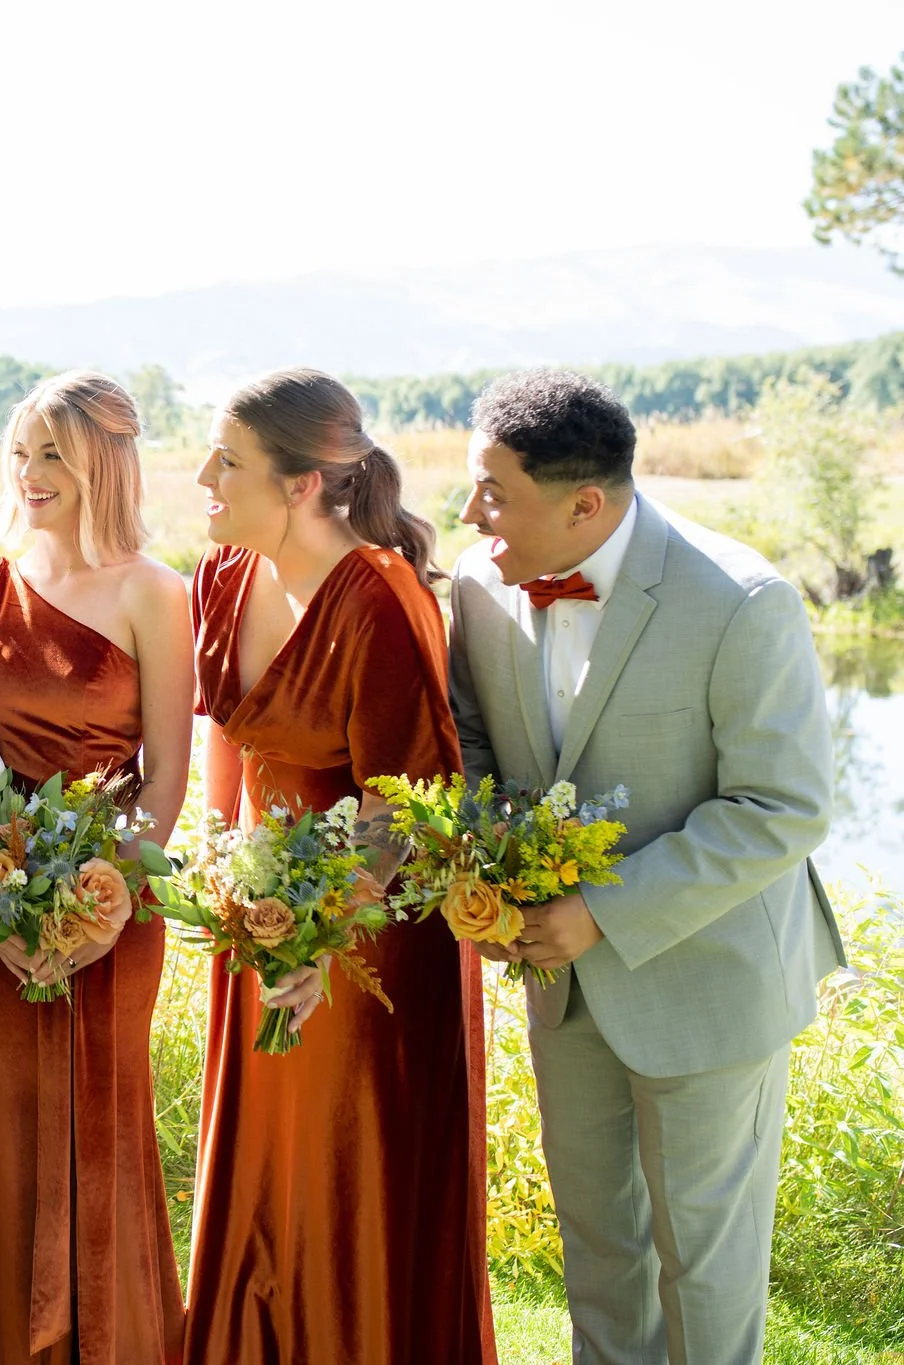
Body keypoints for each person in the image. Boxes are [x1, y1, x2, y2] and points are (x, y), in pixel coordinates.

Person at [447, 369, 839, 1365]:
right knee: (600, 1254)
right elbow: (477, 752)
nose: (470, 513)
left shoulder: (740, 599)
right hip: (563, 987)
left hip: (709, 981)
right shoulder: (478, 584)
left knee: (703, 1267)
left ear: (583, 504)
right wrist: (494, 883)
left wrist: (600, 910)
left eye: (493, 491)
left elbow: (782, 805)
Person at [181, 368, 494, 1364]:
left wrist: (320, 933)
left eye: (226, 462)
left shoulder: (380, 600)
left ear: (300, 483)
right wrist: (227, 886)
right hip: (262, 919)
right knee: (264, 1165)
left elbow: (404, 807)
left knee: (337, 1168)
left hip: (365, 943)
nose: (203, 479)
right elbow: (227, 745)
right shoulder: (221, 576)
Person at [0, 371, 191, 1364]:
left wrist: (100, 909)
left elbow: (166, 777)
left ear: (105, 462)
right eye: (21, 451)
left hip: (109, 906)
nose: (30, 472)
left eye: (53, 453)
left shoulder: (152, 590)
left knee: (98, 1127)